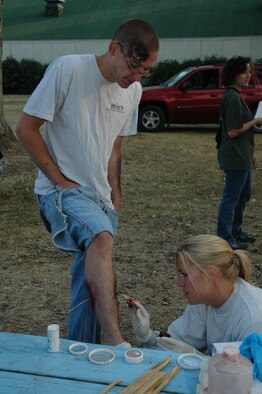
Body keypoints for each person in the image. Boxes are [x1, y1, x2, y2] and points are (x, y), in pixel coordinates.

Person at [15, 19, 159, 346]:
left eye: (146, 71)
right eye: (134, 65)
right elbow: (25, 128)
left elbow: (115, 145)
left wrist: (114, 196)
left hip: (100, 198)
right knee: (101, 240)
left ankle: (83, 351)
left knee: (90, 277)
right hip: (61, 192)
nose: (137, 77)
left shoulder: (133, 90)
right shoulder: (68, 69)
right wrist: (58, 179)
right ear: (113, 48)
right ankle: (113, 339)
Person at [129, 234, 262, 355]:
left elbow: (248, 376)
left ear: (211, 273)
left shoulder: (252, 317)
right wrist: (148, 337)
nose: (179, 282)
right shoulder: (205, 298)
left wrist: (196, 357)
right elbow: (175, 343)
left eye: (185, 275)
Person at [217, 56, 262, 250]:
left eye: (250, 72)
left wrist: (250, 153)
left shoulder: (235, 96)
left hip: (242, 155)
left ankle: (236, 231)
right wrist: (256, 121)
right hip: (234, 157)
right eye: (245, 72)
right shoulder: (232, 97)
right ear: (234, 74)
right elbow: (233, 131)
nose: (249, 75)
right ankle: (226, 237)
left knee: (243, 196)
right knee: (231, 197)